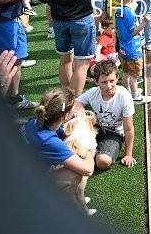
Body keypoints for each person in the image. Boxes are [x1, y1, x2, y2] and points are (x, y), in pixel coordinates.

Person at [21, 86, 98, 215]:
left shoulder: (38, 122)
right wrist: (90, 146)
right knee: (75, 173)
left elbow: (63, 135)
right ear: (66, 116)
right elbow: (88, 169)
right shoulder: (47, 140)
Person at [73, 59, 138, 170]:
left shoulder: (124, 96)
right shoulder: (93, 92)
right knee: (72, 148)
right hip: (95, 128)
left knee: (103, 161)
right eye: (103, 82)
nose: (108, 85)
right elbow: (76, 103)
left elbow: (128, 129)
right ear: (96, 81)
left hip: (114, 133)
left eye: (112, 81)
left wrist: (128, 154)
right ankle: (88, 153)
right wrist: (82, 113)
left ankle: (88, 156)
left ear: (117, 78)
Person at [113, 0, 151, 104]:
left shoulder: (118, 11)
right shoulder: (129, 13)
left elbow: (119, 30)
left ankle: (127, 92)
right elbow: (134, 32)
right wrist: (145, 22)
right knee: (134, 75)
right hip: (133, 48)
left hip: (123, 46)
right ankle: (136, 96)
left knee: (126, 72)